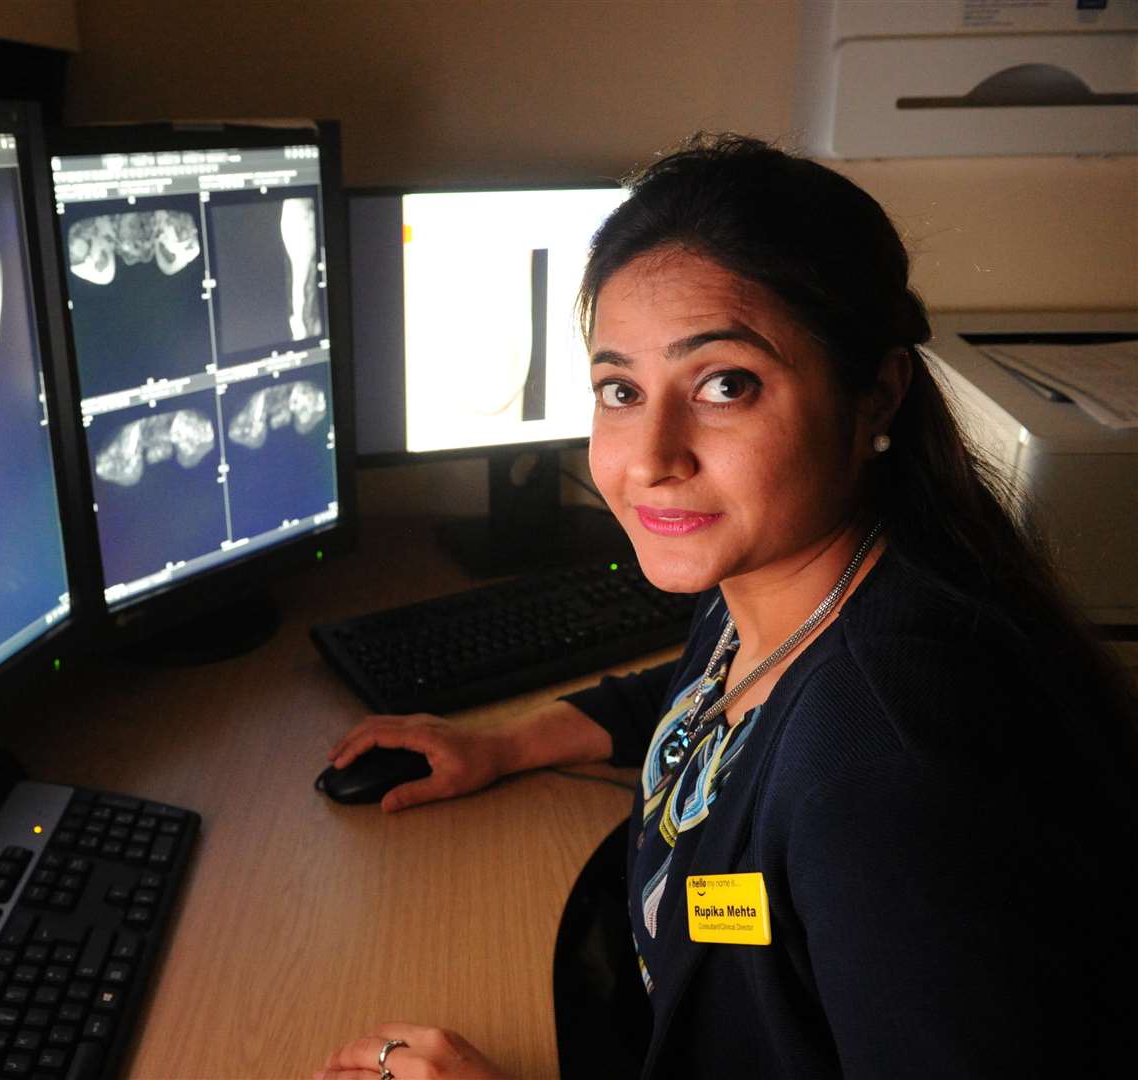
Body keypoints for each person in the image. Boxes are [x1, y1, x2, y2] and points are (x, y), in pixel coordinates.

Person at [315, 134, 1137, 1080]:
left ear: (873, 396)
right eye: (620, 389)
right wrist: (504, 744)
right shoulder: (784, 587)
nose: (652, 454)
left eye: (724, 385)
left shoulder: (883, 776)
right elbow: (716, 692)